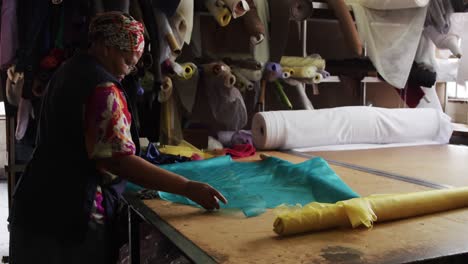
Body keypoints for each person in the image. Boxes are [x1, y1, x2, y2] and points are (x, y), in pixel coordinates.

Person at [9, 11, 227, 264]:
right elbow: (118, 161)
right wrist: (186, 187)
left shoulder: (68, 69)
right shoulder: (103, 88)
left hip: (35, 202)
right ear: (105, 47)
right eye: (126, 60)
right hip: (70, 216)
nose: (129, 70)